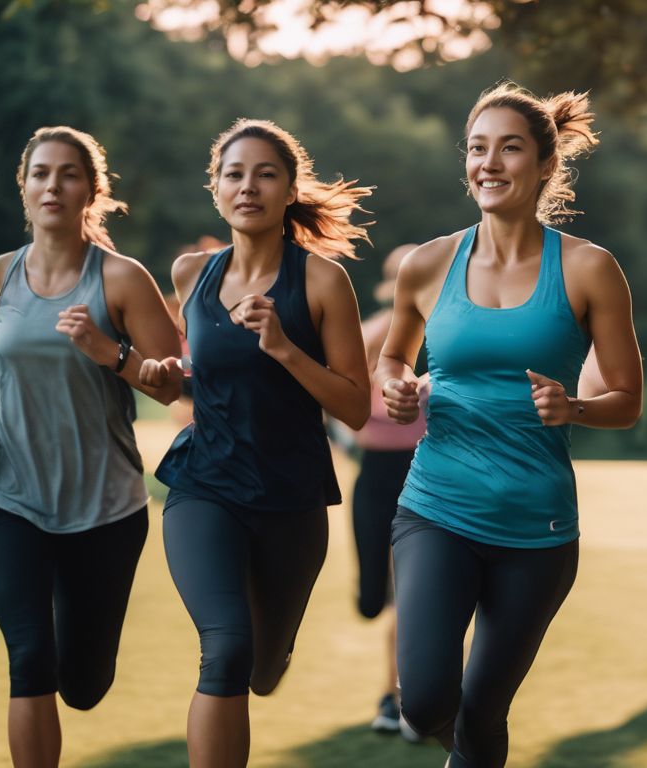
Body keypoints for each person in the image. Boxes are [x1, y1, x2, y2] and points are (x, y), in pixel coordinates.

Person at [375, 82, 643, 768]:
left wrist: (573, 407)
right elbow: (393, 358)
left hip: (537, 528)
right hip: (436, 505)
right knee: (427, 701)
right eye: (476, 149)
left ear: (545, 166)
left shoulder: (588, 269)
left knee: (485, 710)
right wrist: (399, 387)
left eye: (509, 148)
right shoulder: (428, 264)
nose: (488, 163)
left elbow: (628, 399)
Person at [0, 126, 182, 768]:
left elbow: (175, 383)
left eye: (68, 174)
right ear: (24, 190)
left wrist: (112, 354)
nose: (53, 185)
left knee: (83, 685)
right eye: (40, 174)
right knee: (29, 658)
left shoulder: (123, 280)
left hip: (105, 508)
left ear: (91, 192)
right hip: (7, 499)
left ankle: (80, 653)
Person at [140, 118, 372, 768]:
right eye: (234, 174)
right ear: (216, 189)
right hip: (204, 487)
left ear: (289, 189)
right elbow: (184, 380)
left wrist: (285, 349)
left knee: (263, 664)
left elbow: (355, 407)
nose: (249, 186)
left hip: (291, 498)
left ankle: (276, 654)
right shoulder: (191, 274)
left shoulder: (322, 282)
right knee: (226, 648)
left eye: (265, 173)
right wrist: (159, 372)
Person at [351, 243, 427, 739]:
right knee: (374, 600)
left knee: (414, 595)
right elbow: (348, 395)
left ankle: (403, 696)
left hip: (425, 473)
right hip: (374, 474)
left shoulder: (448, 334)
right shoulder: (373, 332)